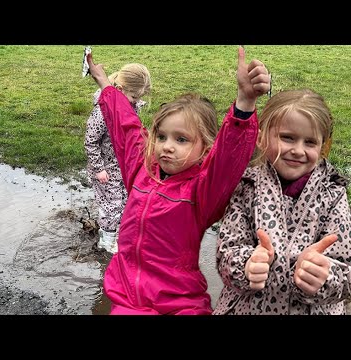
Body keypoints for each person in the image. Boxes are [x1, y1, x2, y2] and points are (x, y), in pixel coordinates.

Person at [87, 46, 271, 314]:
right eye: (161, 137)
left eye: (181, 139)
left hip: (179, 304)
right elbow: (125, 126)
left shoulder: (202, 191)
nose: (167, 146)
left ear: (206, 150)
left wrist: (244, 104)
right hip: (127, 299)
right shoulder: (141, 171)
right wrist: (105, 84)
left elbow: (228, 159)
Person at [213, 89, 351, 315]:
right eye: (287, 137)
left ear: (322, 146)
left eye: (310, 142)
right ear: (261, 137)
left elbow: (346, 271)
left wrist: (325, 277)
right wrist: (246, 265)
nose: (298, 150)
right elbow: (226, 252)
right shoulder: (247, 186)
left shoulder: (333, 194)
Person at [84, 63, 151, 254]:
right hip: (105, 170)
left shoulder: (129, 107)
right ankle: (105, 243)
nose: (136, 101)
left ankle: (117, 236)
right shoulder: (101, 113)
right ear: (120, 90)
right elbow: (90, 141)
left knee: (123, 202)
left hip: (121, 168)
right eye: (134, 97)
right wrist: (98, 169)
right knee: (110, 206)